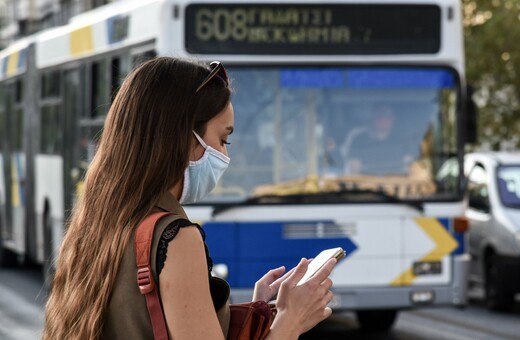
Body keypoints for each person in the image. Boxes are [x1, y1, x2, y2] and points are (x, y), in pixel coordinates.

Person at [42, 57, 337, 340]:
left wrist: (257, 308)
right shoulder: (176, 238)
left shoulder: (96, 222)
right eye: (223, 139)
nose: (225, 155)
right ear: (183, 137)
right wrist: (292, 320)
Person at [342, 103, 411, 176]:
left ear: (393, 119)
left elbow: (408, 167)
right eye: (379, 115)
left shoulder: (401, 141)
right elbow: (352, 168)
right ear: (372, 117)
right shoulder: (359, 138)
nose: (382, 119)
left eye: (387, 116)